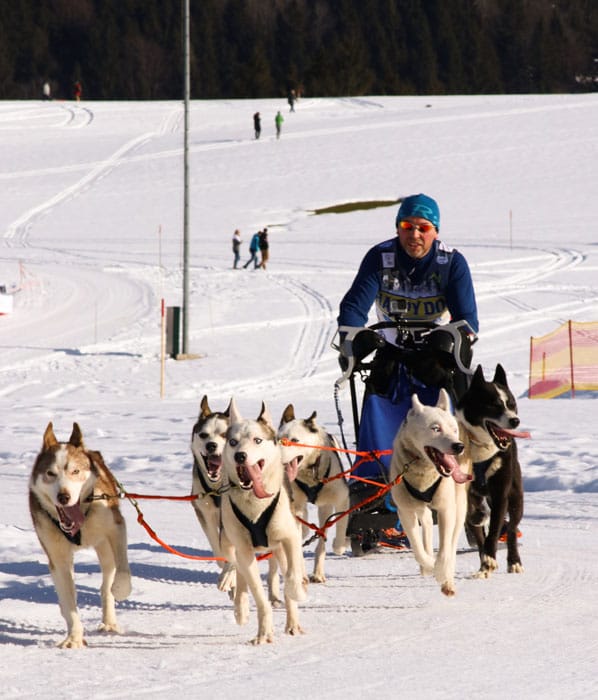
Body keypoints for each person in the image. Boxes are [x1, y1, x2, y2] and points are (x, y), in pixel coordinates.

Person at [337, 193, 479, 551]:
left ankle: (477, 502)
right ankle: (374, 507)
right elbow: (354, 305)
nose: (414, 235)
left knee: (455, 426)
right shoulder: (380, 257)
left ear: (435, 231)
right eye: (406, 226)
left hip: (435, 357)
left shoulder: (451, 262)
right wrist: (353, 340)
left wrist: (448, 343)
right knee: (377, 415)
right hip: (392, 353)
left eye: (423, 228)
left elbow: (468, 321)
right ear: (398, 227)